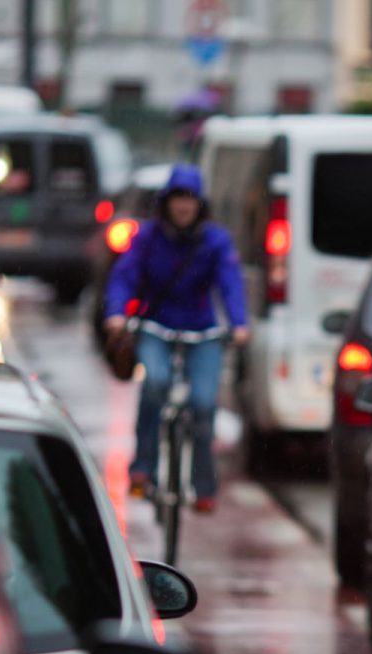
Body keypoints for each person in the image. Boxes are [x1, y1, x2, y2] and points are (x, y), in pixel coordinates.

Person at [103, 164, 248, 514]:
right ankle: (143, 469)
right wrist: (116, 312)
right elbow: (124, 275)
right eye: (177, 198)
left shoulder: (215, 241)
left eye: (190, 199)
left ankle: (203, 487)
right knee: (155, 383)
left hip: (203, 330)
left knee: (203, 403)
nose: (184, 206)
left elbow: (230, 283)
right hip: (157, 326)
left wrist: (239, 323)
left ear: (200, 204)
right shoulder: (147, 237)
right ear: (166, 202)